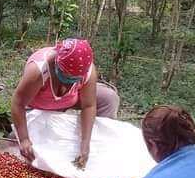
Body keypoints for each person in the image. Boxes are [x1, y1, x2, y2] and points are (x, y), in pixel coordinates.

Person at [11, 38, 120, 168]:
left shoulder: (87, 70)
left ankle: (96, 145)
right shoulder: (38, 70)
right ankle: (20, 136)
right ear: (57, 62)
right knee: (26, 149)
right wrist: (24, 139)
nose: (69, 81)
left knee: (109, 98)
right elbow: (18, 103)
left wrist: (85, 143)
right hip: (39, 107)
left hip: (69, 100)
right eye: (66, 76)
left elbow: (89, 106)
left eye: (75, 79)